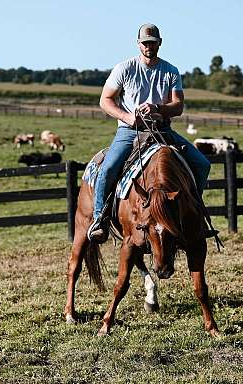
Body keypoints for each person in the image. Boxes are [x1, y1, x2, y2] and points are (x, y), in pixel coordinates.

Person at [87, 23, 212, 243]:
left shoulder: (171, 71)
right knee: (107, 169)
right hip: (130, 131)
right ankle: (99, 219)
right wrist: (127, 117)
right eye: (145, 43)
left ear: (159, 43)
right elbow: (105, 100)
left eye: (153, 43)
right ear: (138, 44)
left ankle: (193, 215)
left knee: (202, 164)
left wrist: (158, 109)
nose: (149, 46)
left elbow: (178, 106)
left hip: (161, 130)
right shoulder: (124, 69)